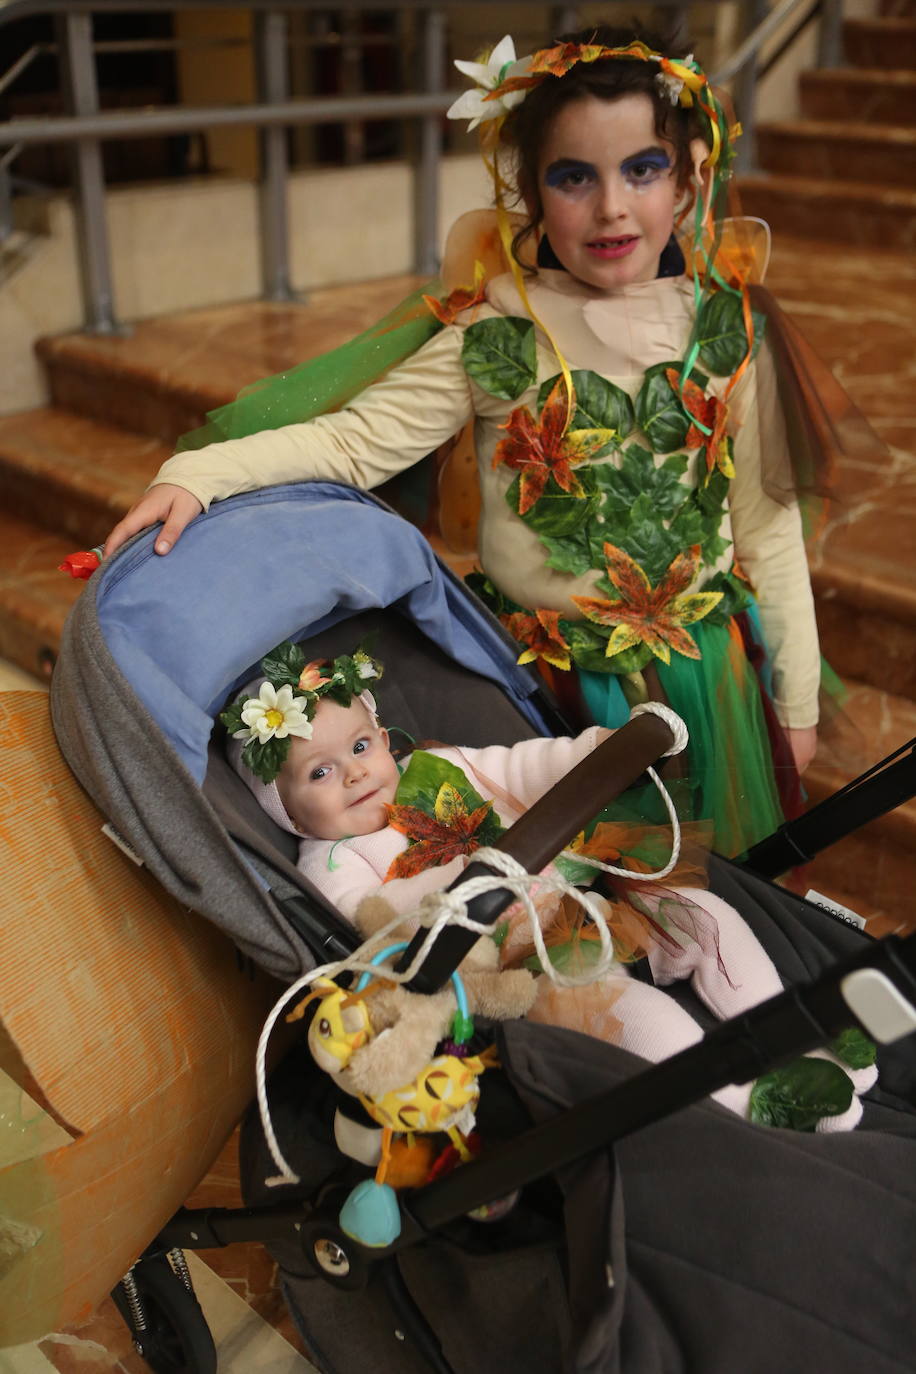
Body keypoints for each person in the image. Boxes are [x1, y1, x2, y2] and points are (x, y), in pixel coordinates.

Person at [104, 25, 824, 857]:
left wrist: (794, 705)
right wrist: (203, 472)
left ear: (691, 182)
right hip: (540, 690)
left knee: (709, 884)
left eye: (642, 169)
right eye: (573, 177)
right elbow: (353, 443)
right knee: (570, 891)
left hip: (709, 684)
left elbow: (769, 532)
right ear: (529, 189)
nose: (612, 207)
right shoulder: (495, 336)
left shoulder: (726, 337)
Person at [224, 643, 876, 1132]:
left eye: (362, 746)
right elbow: (367, 938)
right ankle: (746, 1107)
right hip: (525, 967)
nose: (354, 775)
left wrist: (605, 750)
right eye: (319, 772)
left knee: (703, 914)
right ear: (282, 808)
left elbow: (526, 766)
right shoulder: (332, 861)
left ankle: (790, 1032)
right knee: (639, 1020)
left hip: (592, 894)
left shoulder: (438, 764)